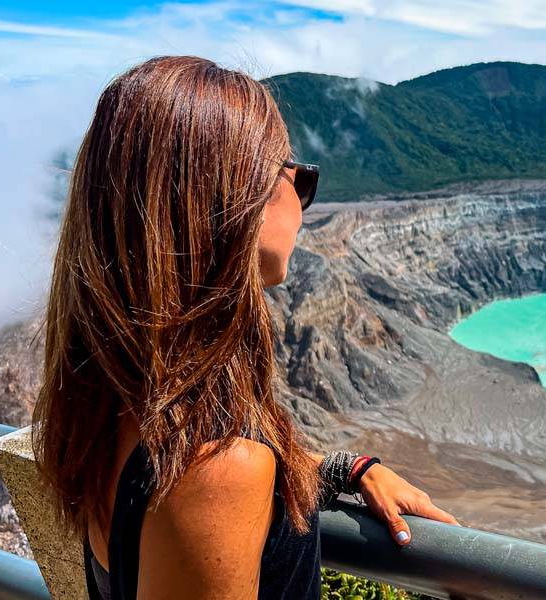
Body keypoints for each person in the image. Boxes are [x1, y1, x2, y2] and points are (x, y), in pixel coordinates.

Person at [30, 55, 457, 600]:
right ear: (234, 198)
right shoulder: (212, 467)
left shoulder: (114, 404)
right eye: (295, 176)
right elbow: (219, 480)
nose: (304, 198)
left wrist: (348, 470)